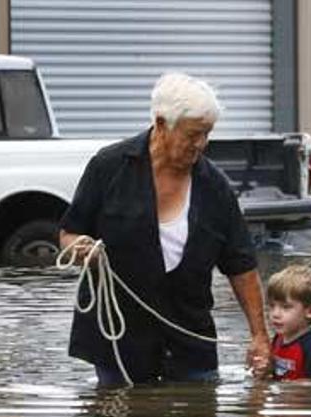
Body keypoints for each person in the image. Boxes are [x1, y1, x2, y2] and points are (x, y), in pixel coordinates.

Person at [58, 72, 270, 385]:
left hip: (191, 342)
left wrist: (260, 336)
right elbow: (68, 234)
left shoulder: (216, 187)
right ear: (161, 124)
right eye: (193, 134)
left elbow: (242, 267)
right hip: (119, 342)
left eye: (207, 134)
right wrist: (81, 249)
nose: (201, 144)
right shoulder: (109, 167)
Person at [267, 264, 311, 381]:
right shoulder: (278, 339)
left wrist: (293, 387)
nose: (275, 314)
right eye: (272, 306)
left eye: (285, 307)